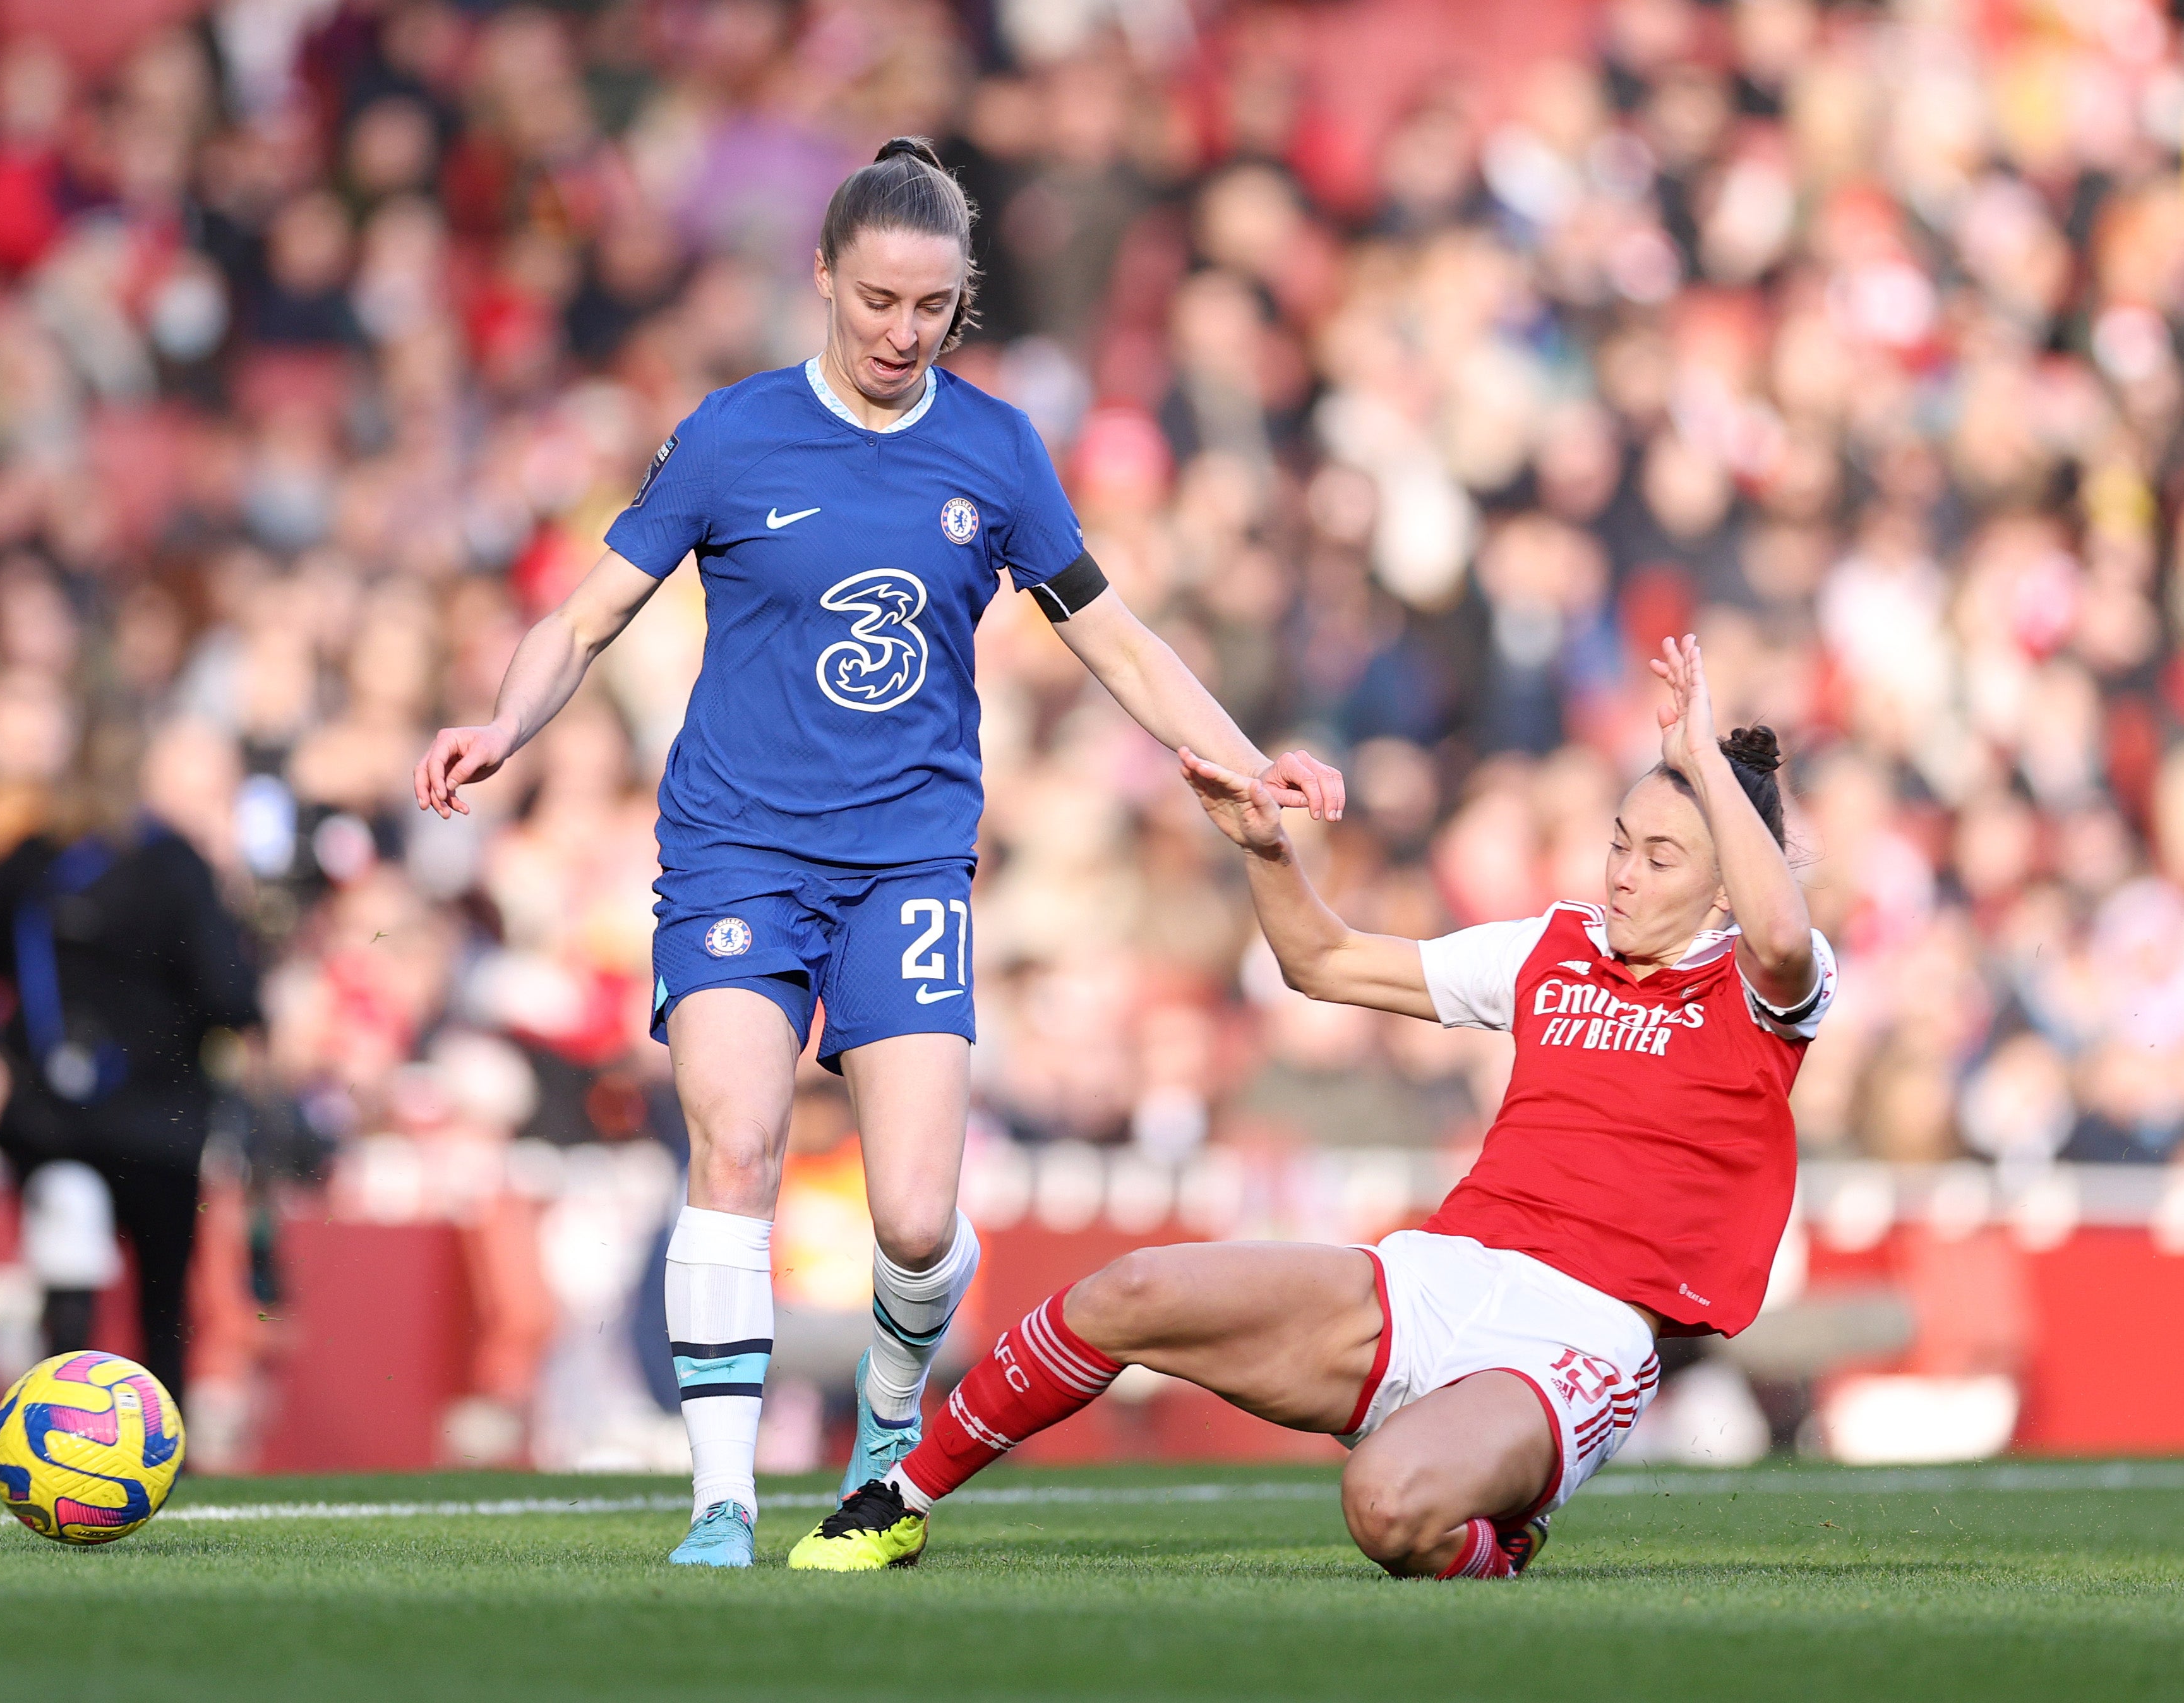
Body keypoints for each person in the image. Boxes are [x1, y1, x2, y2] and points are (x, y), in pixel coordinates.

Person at [414, 136, 1339, 1567]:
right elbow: (586, 614)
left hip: (906, 865)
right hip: (733, 850)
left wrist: (1236, 751)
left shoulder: (994, 447)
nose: (901, 334)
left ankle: (886, 1421)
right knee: (735, 1140)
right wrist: (503, 722)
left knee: (915, 1222)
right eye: (875, 303)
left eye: (929, 307)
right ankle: (718, 1499)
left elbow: (1111, 637)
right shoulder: (728, 435)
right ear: (822, 282)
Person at [789, 634, 1836, 1576]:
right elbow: (1321, 960)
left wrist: (1704, 761)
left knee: (1384, 1506)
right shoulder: (1545, 948)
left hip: (1578, 1334)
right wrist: (1263, 850)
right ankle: (896, 1498)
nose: (1619, 873)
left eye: (1659, 859)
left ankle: (1490, 1538)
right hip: (1438, 1272)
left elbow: (1782, 938)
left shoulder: (1759, 979)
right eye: (1617, 841)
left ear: (1722, 889)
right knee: (1128, 1292)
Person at [0, 723, 261, 1404]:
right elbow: (231, 995)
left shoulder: (27, 868)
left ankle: (61, 1438)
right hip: (159, 1123)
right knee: (161, 1305)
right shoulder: (175, 866)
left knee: (67, 1294)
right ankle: (161, 1458)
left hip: (52, 1120)